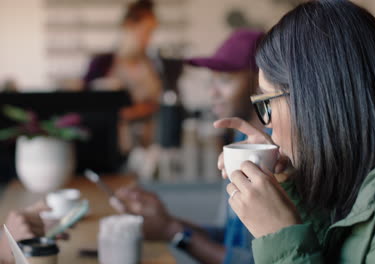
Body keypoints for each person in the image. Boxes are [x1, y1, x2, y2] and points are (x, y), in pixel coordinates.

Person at [215, 1, 375, 263]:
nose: (266, 123)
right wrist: (290, 188)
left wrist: (280, 238)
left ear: (313, 99)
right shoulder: (369, 178)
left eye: (266, 103)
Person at [113, 30, 267, 264]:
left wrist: (172, 232)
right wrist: (165, 222)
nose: (212, 93)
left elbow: (260, 260)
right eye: (211, 81)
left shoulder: (277, 153)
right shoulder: (240, 141)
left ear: (261, 81)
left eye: (224, 80)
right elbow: (232, 239)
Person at [83, 0, 162, 154]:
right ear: (129, 27)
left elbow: (160, 101)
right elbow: (86, 105)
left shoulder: (152, 65)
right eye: (146, 31)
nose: (149, 39)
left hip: (149, 145)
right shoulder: (102, 63)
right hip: (110, 146)